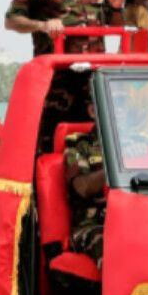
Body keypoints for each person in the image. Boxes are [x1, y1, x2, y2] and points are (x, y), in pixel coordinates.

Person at [63, 101, 106, 273]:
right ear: (92, 111)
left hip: (131, 221)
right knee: (113, 251)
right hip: (92, 225)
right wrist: (116, 168)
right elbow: (81, 188)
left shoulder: (137, 144)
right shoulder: (79, 145)